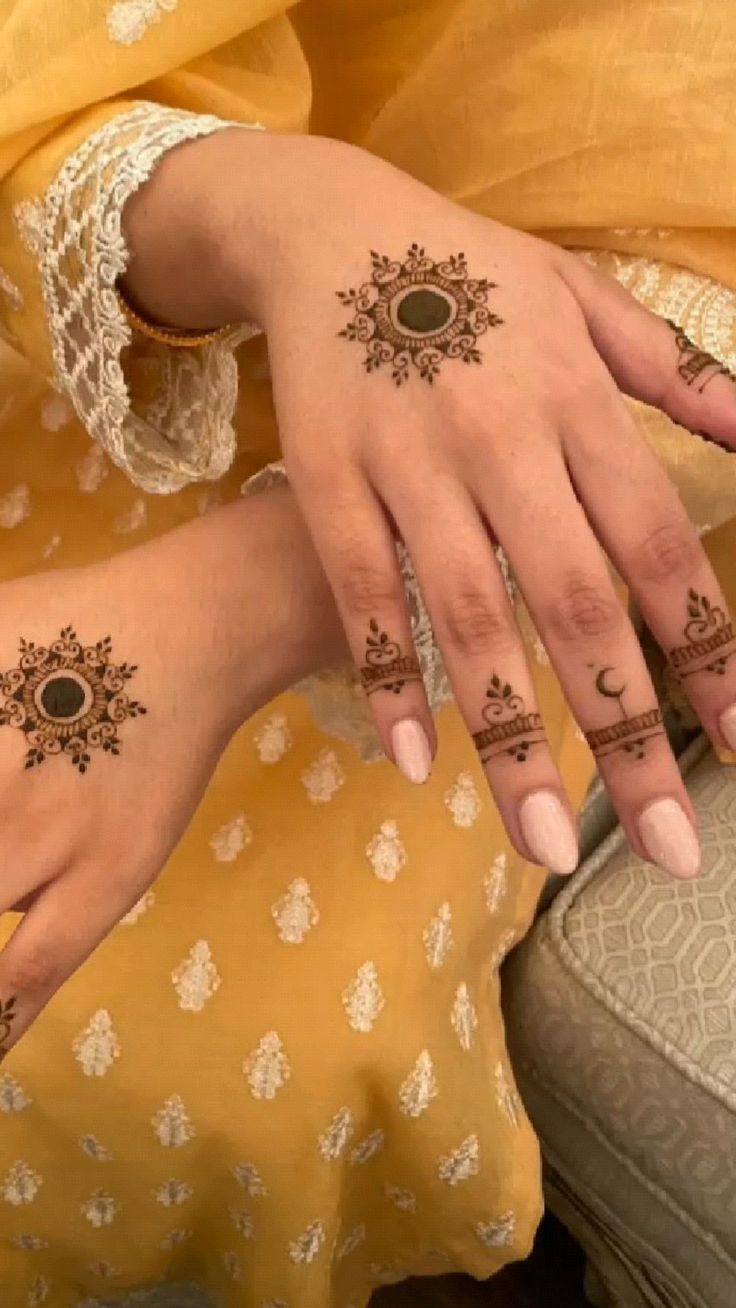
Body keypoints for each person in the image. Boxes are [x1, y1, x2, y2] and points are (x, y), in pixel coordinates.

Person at [1, 2, 736, 1305]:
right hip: (97, 242)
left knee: (205, 1056)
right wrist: (276, 207)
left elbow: (690, 346)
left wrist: (233, 604)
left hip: (459, 535)